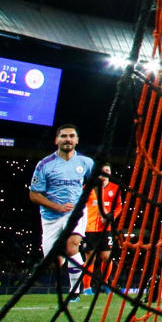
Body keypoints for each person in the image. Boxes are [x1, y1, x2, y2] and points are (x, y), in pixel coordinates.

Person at [29, 124, 94, 301]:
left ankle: (75, 291)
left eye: (71, 136)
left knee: (72, 244)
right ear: (56, 140)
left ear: (77, 140)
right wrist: (56, 206)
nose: (68, 139)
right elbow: (34, 195)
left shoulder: (86, 163)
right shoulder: (44, 164)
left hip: (76, 212)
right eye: (64, 136)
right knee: (52, 260)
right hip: (51, 216)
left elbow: (97, 181)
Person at [81, 162, 122, 294]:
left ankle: (105, 284)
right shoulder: (88, 188)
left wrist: (110, 217)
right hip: (89, 228)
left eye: (107, 170)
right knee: (90, 258)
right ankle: (87, 287)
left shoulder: (115, 188)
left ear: (110, 173)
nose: (105, 173)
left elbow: (118, 207)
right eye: (102, 171)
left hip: (106, 229)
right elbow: (79, 205)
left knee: (107, 257)